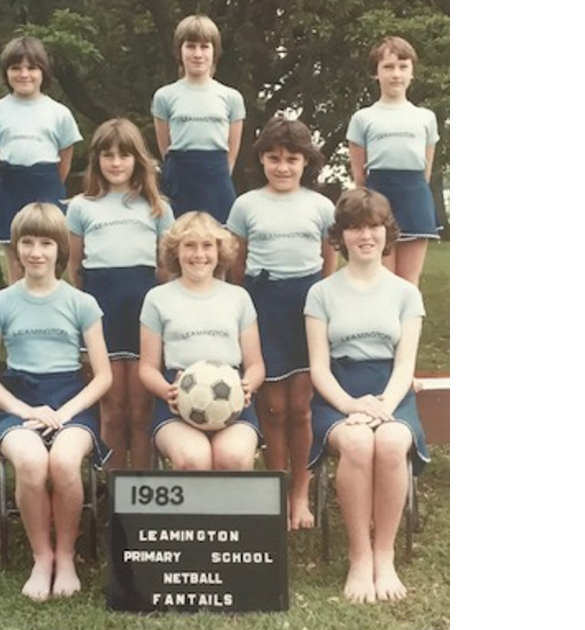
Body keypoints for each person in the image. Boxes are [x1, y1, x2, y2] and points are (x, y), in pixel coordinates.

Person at [0, 202, 112, 601]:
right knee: (33, 464)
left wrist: (65, 413)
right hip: (21, 401)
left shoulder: (81, 303)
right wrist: (25, 411)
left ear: (60, 249)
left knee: (65, 462)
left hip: (71, 401)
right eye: (28, 242)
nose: (36, 251)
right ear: (16, 248)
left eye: (46, 243)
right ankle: (42, 556)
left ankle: (66, 555)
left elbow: (102, 375)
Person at [304, 188, 431, 604]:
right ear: (340, 236)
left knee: (393, 441)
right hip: (338, 390)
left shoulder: (405, 293)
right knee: (357, 443)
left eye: (373, 225)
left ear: (386, 231)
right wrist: (349, 406)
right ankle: (359, 557)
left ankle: (384, 554)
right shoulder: (321, 293)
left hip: (391, 391)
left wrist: (381, 408)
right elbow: (319, 367)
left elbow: (404, 365)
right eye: (355, 226)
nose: (365, 235)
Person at [226, 116, 336, 530]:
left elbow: (329, 263)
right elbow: (237, 264)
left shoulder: (321, 206)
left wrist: (320, 306)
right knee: (273, 406)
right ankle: (274, 488)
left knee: (301, 408)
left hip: (306, 305)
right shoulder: (246, 205)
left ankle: (300, 496)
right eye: (274, 158)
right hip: (263, 304)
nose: (283, 167)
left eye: (292, 159)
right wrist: (251, 301)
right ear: (262, 160)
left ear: (306, 161)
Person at [66, 118, 174, 471]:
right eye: (108, 155)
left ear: (137, 160)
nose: (115, 163)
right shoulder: (81, 206)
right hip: (102, 311)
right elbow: (75, 265)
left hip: (144, 312)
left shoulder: (157, 206)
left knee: (140, 409)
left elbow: (165, 268)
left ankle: (140, 492)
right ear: (96, 159)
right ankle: (113, 495)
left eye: (124, 155)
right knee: (112, 408)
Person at [138, 212, 265, 470]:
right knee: (194, 459)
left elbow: (256, 365)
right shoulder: (157, 299)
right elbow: (147, 368)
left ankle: (230, 512)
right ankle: (192, 512)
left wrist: (247, 386)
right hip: (176, 402)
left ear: (220, 251)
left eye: (207, 245)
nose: (199, 254)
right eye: (189, 245)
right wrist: (167, 392)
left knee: (233, 457)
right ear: (175, 251)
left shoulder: (237, 297)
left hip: (231, 398)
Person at [0, 35, 82, 285]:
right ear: (6, 72)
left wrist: (50, 181)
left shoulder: (59, 113)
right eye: (16, 68)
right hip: (10, 184)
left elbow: (66, 155)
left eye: (31, 68)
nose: (24, 74)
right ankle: (17, 309)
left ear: (43, 72)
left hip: (46, 185)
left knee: (50, 246)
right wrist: (5, 176)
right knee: (15, 250)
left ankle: (51, 305)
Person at [346, 35, 441, 286]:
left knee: (409, 281)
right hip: (378, 196)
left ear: (412, 73)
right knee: (382, 279)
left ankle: (409, 326)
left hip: (414, 196)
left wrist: (417, 194)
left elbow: (426, 168)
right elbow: (359, 175)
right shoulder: (363, 118)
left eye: (403, 66)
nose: (396, 74)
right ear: (375, 73)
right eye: (388, 67)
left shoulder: (426, 117)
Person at [151, 14, 245, 224]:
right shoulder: (164, 96)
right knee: (175, 236)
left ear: (215, 52)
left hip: (216, 176)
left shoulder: (231, 98)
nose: (197, 54)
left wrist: (217, 173)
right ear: (179, 51)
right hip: (179, 176)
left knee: (221, 237)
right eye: (191, 46)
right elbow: (165, 147)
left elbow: (232, 153)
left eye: (204, 47)